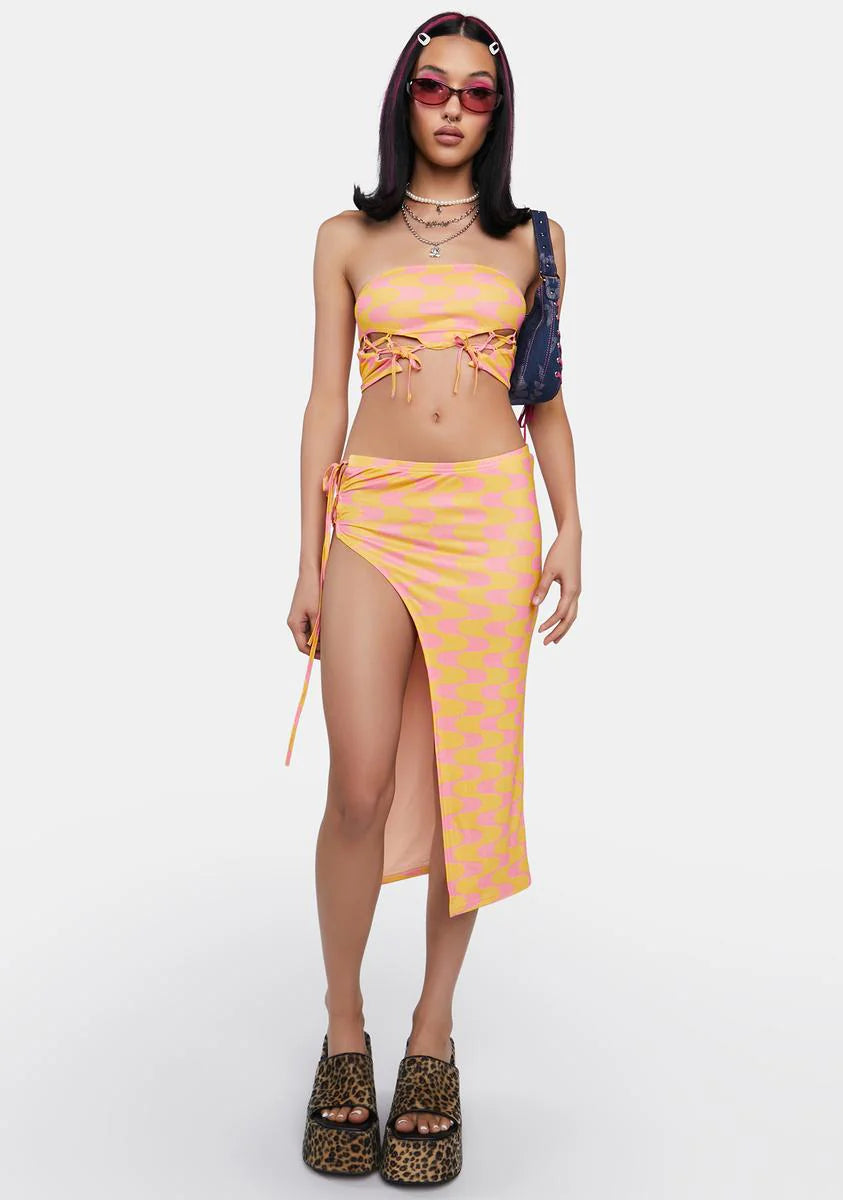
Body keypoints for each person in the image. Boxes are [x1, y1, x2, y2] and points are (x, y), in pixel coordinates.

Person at [287, 14, 582, 1185]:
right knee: (357, 784)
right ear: (403, 99)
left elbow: (544, 394)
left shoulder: (536, 241)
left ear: (497, 112)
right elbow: (323, 401)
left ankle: (430, 1036)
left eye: (476, 92)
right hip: (375, 514)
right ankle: (344, 1027)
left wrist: (572, 527)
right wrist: (306, 559)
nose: (454, 107)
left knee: (471, 782)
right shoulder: (345, 238)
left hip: (491, 521)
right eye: (433, 87)